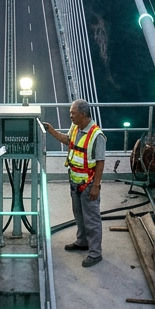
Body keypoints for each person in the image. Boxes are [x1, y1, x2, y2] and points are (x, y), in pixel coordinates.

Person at [41, 99, 105, 267]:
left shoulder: (96, 135)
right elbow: (68, 141)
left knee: (91, 219)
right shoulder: (76, 128)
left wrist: (96, 186)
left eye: (73, 113)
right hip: (75, 181)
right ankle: (82, 242)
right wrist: (51, 130)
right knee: (79, 215)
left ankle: (95, 253)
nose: (70, 115)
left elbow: (100, 162)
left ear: (83, 114)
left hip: (88, 184)